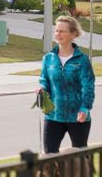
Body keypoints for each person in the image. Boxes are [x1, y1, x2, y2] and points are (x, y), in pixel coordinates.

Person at [38, 15, 96, 154]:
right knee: (50, 158)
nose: (58, 34)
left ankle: (86, 176)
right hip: (53, 116)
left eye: (63, 31)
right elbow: (44, 79)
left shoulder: (82, 60)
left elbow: (88, 87)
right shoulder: (48, 58)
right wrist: (42, 88)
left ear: (73, 34)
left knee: (81, 157)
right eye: (57, 31)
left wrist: (84, 109)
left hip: (77, 116)